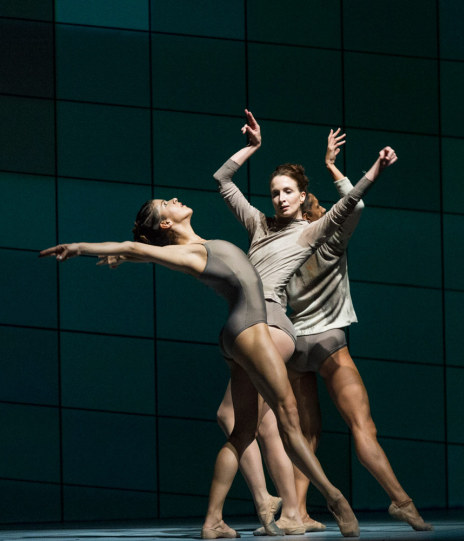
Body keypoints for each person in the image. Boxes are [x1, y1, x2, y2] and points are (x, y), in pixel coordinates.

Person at [39, 179, 366, 538]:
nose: (175, 198)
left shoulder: (195, 246)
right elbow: (137, 245)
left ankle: (213, 521)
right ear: (166, 223)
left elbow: (140, 249)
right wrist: (79, 247)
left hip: (237, 336)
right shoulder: (190, 252)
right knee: (288, 420)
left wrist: (125, 255)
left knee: (242, 431)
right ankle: (335, 500)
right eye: (167, 203)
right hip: (252, 331)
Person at [214, 110, 397, 535]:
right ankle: (289, 509)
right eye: (275, 191)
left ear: (301, 195)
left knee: (264, 420)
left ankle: (287, 506)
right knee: (259, 421)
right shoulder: (258, 225)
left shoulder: (310, 233)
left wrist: (372, 169)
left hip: (273, 325)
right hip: (247, 322)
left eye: (288, 191)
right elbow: (223, 181)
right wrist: (252, 148)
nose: (279, 198)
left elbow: (350, 204)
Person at [283, 129, 432, 532]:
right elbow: (356, 205)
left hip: (295, 345)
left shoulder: (282, 243)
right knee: (363, 427)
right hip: (330, 341)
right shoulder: (331, 241)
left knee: (307, 435)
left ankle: (295, 512)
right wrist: (333, 167)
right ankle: (401, 502)